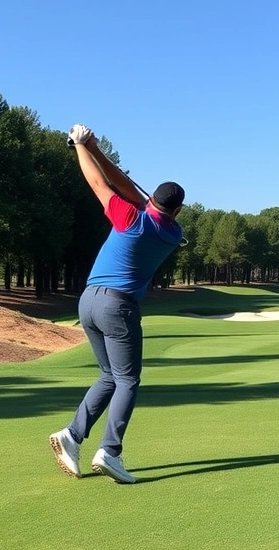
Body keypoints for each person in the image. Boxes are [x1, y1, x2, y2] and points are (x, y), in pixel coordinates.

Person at [49, 124, 185, 484]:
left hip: (88, 302)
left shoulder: (131, 219)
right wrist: (93, 147)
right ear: (178, 209)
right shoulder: (171, 233)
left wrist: (81, 146)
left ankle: (72, 436)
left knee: (111, 376)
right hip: (118, 307)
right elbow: (120, 185)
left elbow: (102, 185)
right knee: (128, 380)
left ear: (151, 199)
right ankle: (110, 451)